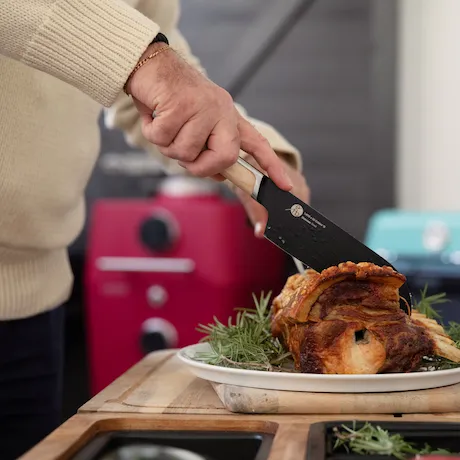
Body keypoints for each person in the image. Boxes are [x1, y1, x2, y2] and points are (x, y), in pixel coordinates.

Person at [0, 0, 310, 458]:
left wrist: (252, 159)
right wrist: (148, 61)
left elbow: (151, 62)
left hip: (35, 297)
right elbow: (141, 57)